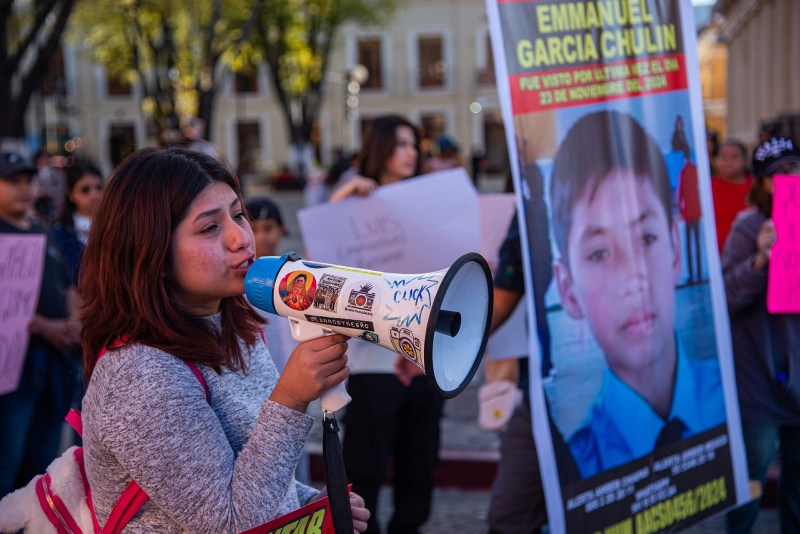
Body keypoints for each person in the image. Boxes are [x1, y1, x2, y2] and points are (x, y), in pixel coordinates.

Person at [79, 146, 369, 531]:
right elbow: (229, 524)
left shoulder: (233, 329)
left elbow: (248, 472)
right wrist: (291, 398)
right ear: (151, 251)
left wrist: (309, 504)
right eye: (209, 228)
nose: (241, 238)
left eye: (237, 214)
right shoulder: (139, 375)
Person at [549, 110, 726, 479]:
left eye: (646, 238)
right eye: (599, 253)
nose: (633, 277)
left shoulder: (730, 404)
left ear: (675, 247)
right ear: (568, 290)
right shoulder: (577, 467)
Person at [331, 114, 442, 534]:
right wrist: (342, 200)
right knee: (364, 477)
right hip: (371, 366)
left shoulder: (430, 205)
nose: (411, 151)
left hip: (425, 364)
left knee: (420, 474)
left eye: (414, 143)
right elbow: (325, 272)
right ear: (379, 148)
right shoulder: (352, 201)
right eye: (401, 143)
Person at [723, 136, 800, 534]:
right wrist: (759, 260)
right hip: (759, 379)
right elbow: (727, 296)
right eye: (778, 175)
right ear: (762, 183)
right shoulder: (747, 226)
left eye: (793, 169)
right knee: (752, 473)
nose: (789, 179)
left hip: (798, 374)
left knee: (798, 475)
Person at [0, 151, 81, 498]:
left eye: (28, 180)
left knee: (44, 456)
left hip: (54, 364)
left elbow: (66, 286)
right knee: (8, 456)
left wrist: (74, 322)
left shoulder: (42, 231)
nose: (23, 188)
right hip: (13, 373)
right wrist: (43, 326)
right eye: (13, 181)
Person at [485, 161, 554, 533]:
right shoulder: (533, 202)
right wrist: (433, 345)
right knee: (511, 515)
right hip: (546, 388)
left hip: (631, 380)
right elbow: (502, 298)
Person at [52, 159, 104, 285]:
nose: (94, 194)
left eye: (99, 187)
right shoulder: (61, 232)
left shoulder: (116, 225)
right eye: (85, 190)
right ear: (71, 194)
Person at [712, 139, 754, 252]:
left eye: (734, 157)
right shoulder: (706, 190)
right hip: (716, 260)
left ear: (746, 161)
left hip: (751, 260)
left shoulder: (757, 187)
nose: (727, 161)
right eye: (723, 156)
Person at [676, 142, 703, 284]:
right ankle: (696, 273)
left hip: (690, 211)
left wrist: (680, 206)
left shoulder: (686, 171)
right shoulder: (693, 170)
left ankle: (694, 273)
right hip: (694, 210)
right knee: (695, 243)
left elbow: (681, 192)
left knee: (690, 243)